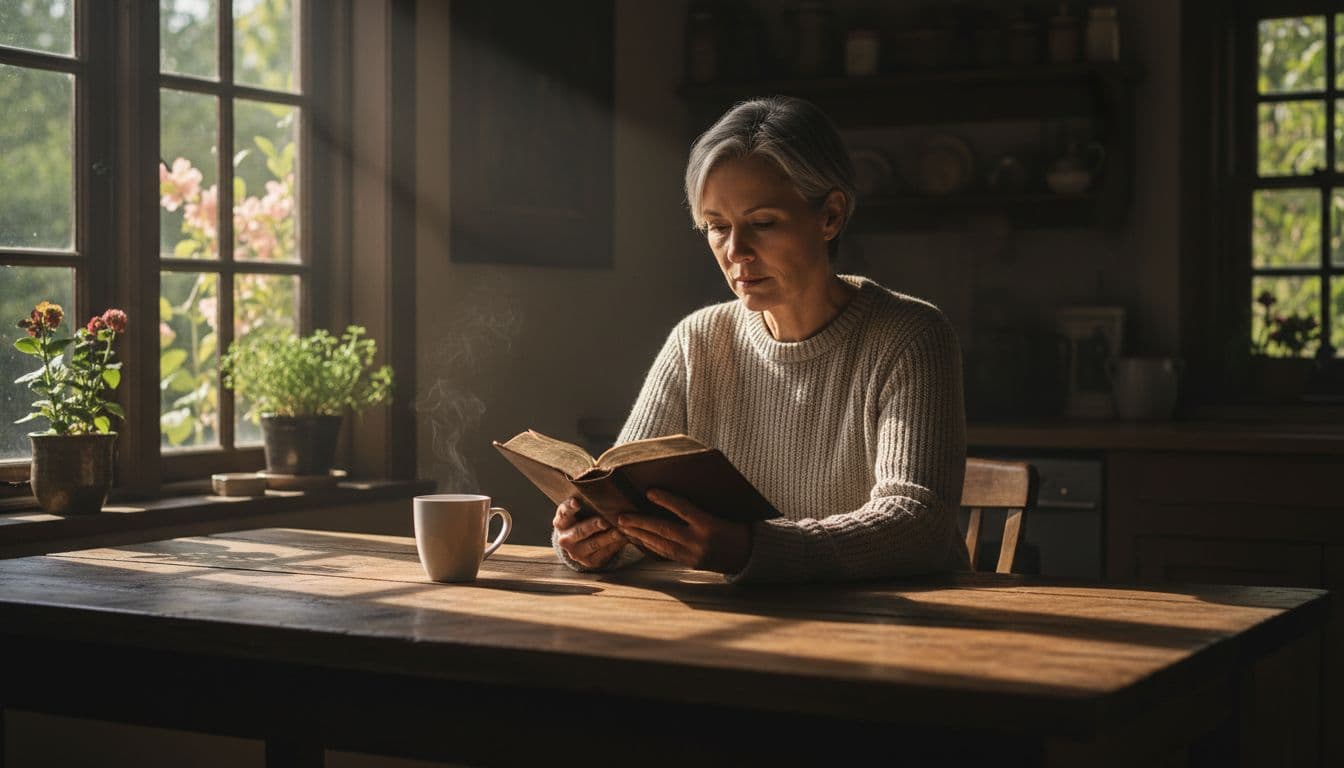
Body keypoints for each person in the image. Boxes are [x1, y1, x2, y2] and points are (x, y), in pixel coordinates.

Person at [552, 96, 969, 583]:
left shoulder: (910, 337)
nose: (736, 251)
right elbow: (624, 500)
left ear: (830, 215)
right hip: (738, 624)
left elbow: (917, 524)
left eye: (763, 224)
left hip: (900, 629)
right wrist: (591, 542)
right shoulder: (698, 342)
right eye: (716, 227)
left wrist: (753, 548)